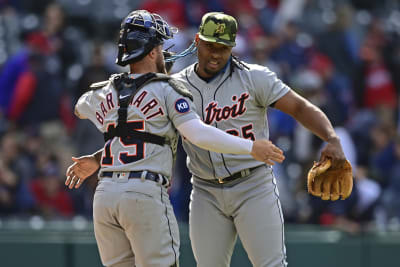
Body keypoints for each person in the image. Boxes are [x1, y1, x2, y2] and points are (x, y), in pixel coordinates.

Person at [67, 11, 346, 267]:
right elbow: (144, 136)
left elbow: (299, 106)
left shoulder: (255, 78)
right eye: (210, 45)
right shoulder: (175, 85)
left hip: (253, 184)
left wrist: (331, 138)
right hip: (205, 190)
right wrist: (97, 158)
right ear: (197, 40)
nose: (216, 54)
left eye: (223, 48)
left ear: (233, 47)